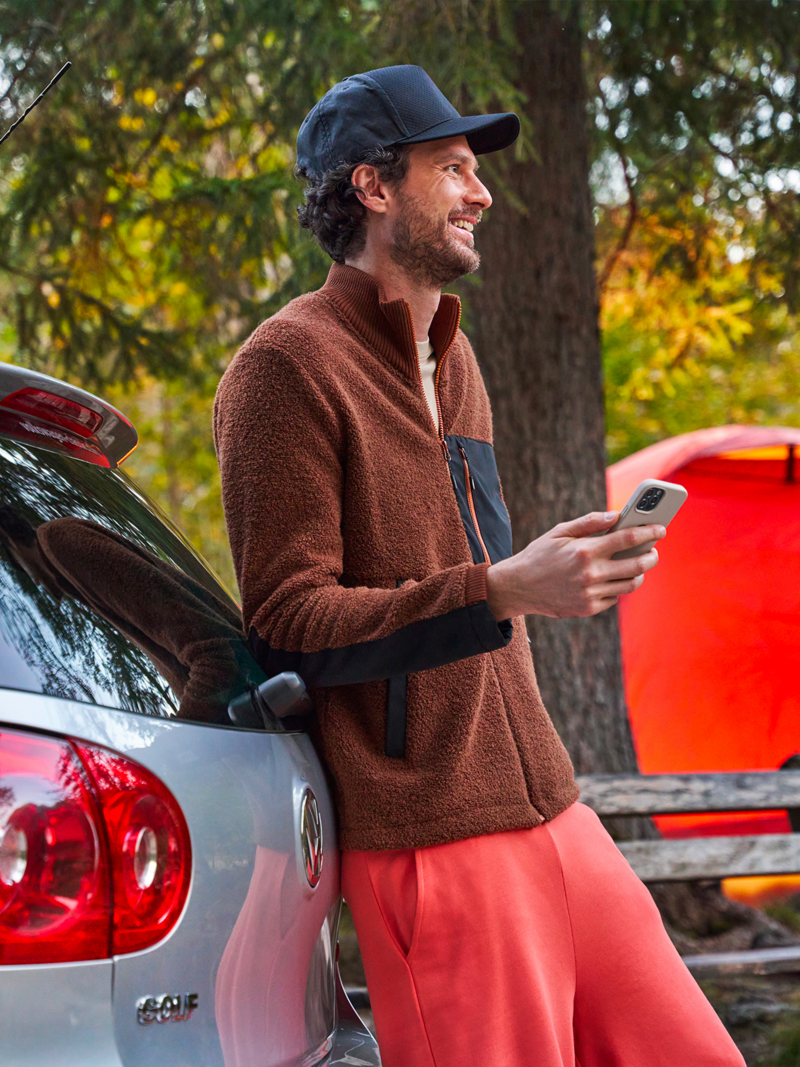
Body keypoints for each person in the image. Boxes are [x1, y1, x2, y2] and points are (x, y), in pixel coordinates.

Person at [214, 65, 744, 1067]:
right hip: (429, 835)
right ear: (373, 187)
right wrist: (502, 586)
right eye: (451, 167)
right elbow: (286, 617)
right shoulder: (283, 367)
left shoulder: (451, 355)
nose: (481, 191)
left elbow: (471, 572)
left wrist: (553, 567)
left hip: (549, 801)